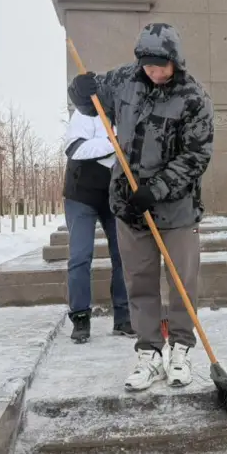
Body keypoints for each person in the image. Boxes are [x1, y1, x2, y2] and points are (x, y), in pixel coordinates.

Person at [71, 22, 214, 392]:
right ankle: (149, 351)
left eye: (161, 66)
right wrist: (80, 92)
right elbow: (93, 102)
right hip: (130, 207)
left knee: (182, 282)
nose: (154, 72)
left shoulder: (194, 96)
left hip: (177, 209)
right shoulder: (125, 79)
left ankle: (180, 348)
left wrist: (158, 188)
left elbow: (197, 154)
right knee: (140, 282)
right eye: (148, 65)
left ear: (175, 61)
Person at [62, 83, 133, 343]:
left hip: (115, 195)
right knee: (80, 256)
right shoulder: (86, 113)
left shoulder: (127, 115)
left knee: (123, 256)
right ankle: (80, 317)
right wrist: (113, 144)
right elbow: (75, 149)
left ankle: (124, 318)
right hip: (81, 194)